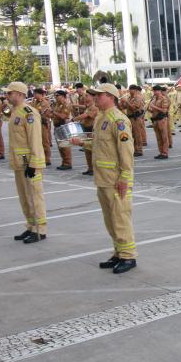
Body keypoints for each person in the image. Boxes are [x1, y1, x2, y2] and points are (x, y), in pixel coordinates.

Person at [73, 83, 137, 274]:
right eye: (94, 95)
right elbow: (101, 145)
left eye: (99, 95)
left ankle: (128, 255)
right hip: (103, 178)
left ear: (110, 97)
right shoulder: (101, 117)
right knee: (110, 219)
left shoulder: (119, 120)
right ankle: (118, 252)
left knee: (120, 218)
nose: (95, 98)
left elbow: (126, 151)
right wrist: (82, 142)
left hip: (116, 178)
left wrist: (125, 177)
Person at [4, 82, 48, 244]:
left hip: (29, 163)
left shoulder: (29, 113)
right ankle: (30, 225)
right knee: (24, 197)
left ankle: (40, 229)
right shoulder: (16, 112)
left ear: (20, 94)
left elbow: (35, 139)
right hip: (19, 162)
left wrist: (34, 163)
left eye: (10, 93)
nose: (7, 96)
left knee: (34, 197)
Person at [74, 92, 98, 175]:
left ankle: (94, 169)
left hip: (91, 130)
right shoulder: (89, 106)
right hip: (86, 130)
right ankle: (90, 168)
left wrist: (74, 119)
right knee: (87, 150)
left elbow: (86, 115)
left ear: (93, 97)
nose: (85, 97)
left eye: (87, 96)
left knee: (92, 150)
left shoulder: (95, 106)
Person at [122, 84, 146, 156]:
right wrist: (123, 102)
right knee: (132, 134)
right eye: (129, 89)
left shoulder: (137, 97)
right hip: (130, 118)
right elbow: (125, 107)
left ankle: (139, 150)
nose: (129, 91)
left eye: (131, 89)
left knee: (137, 134)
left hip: (136, 118)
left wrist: (126, 101)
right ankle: (134, 149)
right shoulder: (130, 97)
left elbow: (133, 107)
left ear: (135, 90)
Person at [51, 89, 73, 170]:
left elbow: (63, 116)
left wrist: (54, 112)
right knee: (60, 146)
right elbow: (54, 115)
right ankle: (64, 162)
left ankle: (68, 163)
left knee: (65, 145)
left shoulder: (66, 105)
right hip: (57, 126)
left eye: (57, 96)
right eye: (55, 96)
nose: (56, 97)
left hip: (63, 126)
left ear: (63, 96)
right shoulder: (57, 104)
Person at [148, 85, 171, 159]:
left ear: (159, 91)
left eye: (155, 91)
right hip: (155, 120)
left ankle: (165, 153)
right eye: (153, 91)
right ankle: (161, 152)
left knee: (164, 137)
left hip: (162, 119)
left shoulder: (164, 99)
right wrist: (148, 108)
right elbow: (153, 111)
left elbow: (164, 110)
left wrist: (153, 106)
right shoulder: (154, 100)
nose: (154, 92)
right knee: (158, 137)